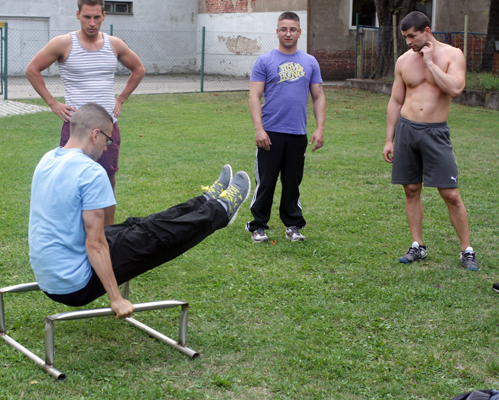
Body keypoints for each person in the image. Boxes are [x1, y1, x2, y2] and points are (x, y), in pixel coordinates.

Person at [28, 103, 251, 317]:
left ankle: (205, 200)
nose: (106, 147)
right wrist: (116, 298)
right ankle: (221, 211)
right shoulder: (89, 171)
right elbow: (95, 243)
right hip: (76, 284)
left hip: (50, 277)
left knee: (139, 225)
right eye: (107, 139)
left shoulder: (47, 159)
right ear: (95, 135)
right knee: (158, 236)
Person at [25, 0, 145, 226]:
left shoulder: (115, 44)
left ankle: (108, 237)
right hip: (76, 127)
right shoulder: (63, 43)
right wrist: (53, 104)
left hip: (107, 128)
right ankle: (74, 232)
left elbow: (139, 69)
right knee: (71, 180)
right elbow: (32, 70)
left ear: (104, 16)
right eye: (87, 17)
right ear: (78, 15)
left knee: (108, 179)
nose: (92, 23)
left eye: (96, 17)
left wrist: (120, 99)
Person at [382, 11, 479, 271]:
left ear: (426, 31)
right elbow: (396, 100)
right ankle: (418, 245)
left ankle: (466, 250)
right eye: (404, 37)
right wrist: (389, 139)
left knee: (451, 194)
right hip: (406, 130)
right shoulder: (403, 60)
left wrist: (430, 63)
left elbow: (455, 89)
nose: (408, 42)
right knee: (411, 190)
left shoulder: (452, 55)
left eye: (411, 36)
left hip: (435, 132)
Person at [245, 11, 326, 243]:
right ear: (277, 31)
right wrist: (259, 129)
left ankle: (293, 225)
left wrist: (320, 128)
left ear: (299, 32)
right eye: (283, 29)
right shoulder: (264, 61)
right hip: (270, 133)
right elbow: (254, 96)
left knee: (292, 182)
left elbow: (318, 96)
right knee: (266, 181)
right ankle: (258, 225)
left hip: (298, 133)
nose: (288, 33)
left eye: (292, 29)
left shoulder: (310, 62)